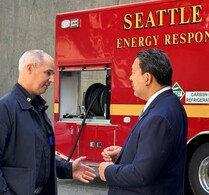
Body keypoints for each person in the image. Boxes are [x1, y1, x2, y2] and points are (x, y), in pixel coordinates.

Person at [0, 49, 96, 195]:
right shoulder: (5, 109)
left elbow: (39, 158)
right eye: (48, 73)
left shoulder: (37, 108)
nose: (52, 79)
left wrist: (67, 169)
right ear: (30, 68)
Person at [99, 48, 188, 195]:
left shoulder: (159, 116)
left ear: (147, 78)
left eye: (133, 72)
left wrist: (107, 171)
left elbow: (141, 174)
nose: (130, 78)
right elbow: (156, 155)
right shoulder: (168, 104)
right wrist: (125, 153)